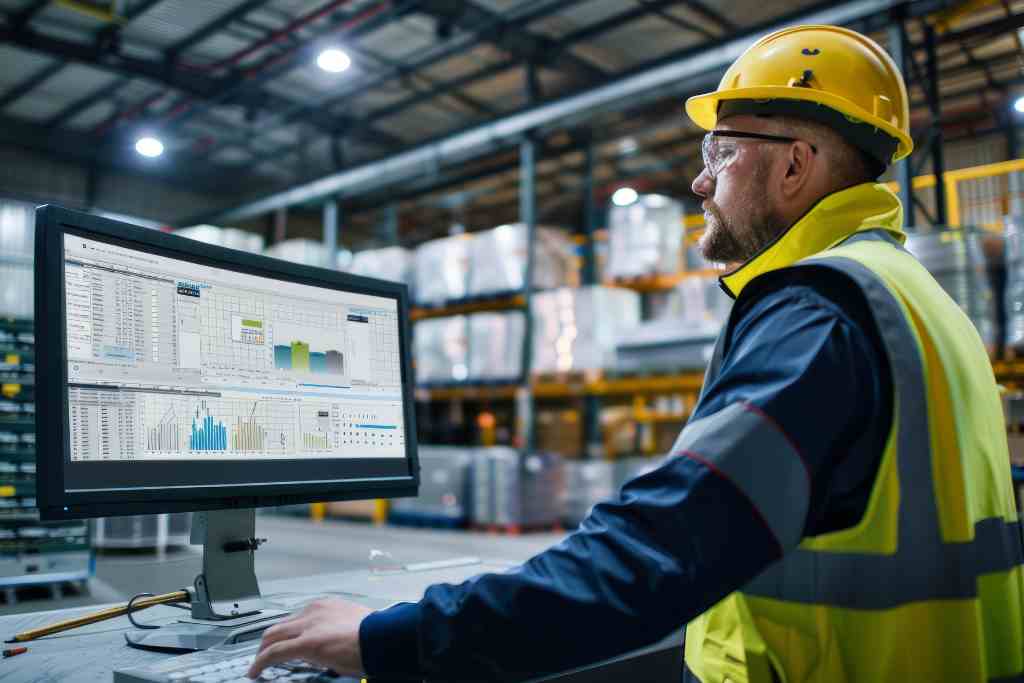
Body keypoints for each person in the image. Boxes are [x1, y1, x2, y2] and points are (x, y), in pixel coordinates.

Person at [249, 25, 1024, 682]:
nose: (699, 179)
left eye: (721, 152)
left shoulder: (819, 311)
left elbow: (659, 549)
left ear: (794, 165)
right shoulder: (916, 299)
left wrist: (390, 635)